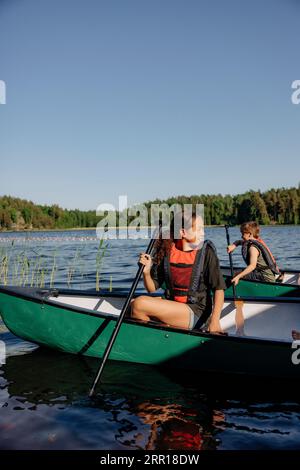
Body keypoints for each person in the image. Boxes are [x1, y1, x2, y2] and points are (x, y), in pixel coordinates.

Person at [131, 212, 226, 333]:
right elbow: (151, 289)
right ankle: (162, 337)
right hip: (173, 306)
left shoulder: (206, 252)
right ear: (183, 232)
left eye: (203, 229)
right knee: (132, 304)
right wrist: (146, 272)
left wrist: (215, 321)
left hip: (197, 311)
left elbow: (219, 289)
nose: (203, 233)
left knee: (139, 304)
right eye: (199, 229)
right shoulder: (168, 250)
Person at [227, 221, 280, 285]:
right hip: (262, 274)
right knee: (239, 272)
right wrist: (233, 245)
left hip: (265, 278)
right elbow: (239, 242)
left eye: (243, 233)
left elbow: (252, 266)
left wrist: (238, 277)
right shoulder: (253, 241)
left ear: (250, 234)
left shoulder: (253, 248)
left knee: (236, 274)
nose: (241, 236)